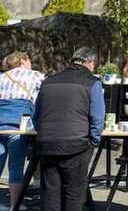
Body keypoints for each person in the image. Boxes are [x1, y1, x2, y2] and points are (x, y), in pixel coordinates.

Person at [34, 47, 105, 211]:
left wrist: (43, 134)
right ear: (90, 62)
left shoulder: (48, 81)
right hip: (76, 144)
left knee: (50, 195)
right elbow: (97, 117)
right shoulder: (92, 82)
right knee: (73, 195)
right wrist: (93, 141)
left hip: (47, 144)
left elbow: (36, 114)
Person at [0, 52, 45, 209]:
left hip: (0, 125)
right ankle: (15, 205)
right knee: (16, 167)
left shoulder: (2, 77)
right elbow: (48, 91)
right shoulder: (34, 75)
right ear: (24, 61)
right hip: (19, 125)